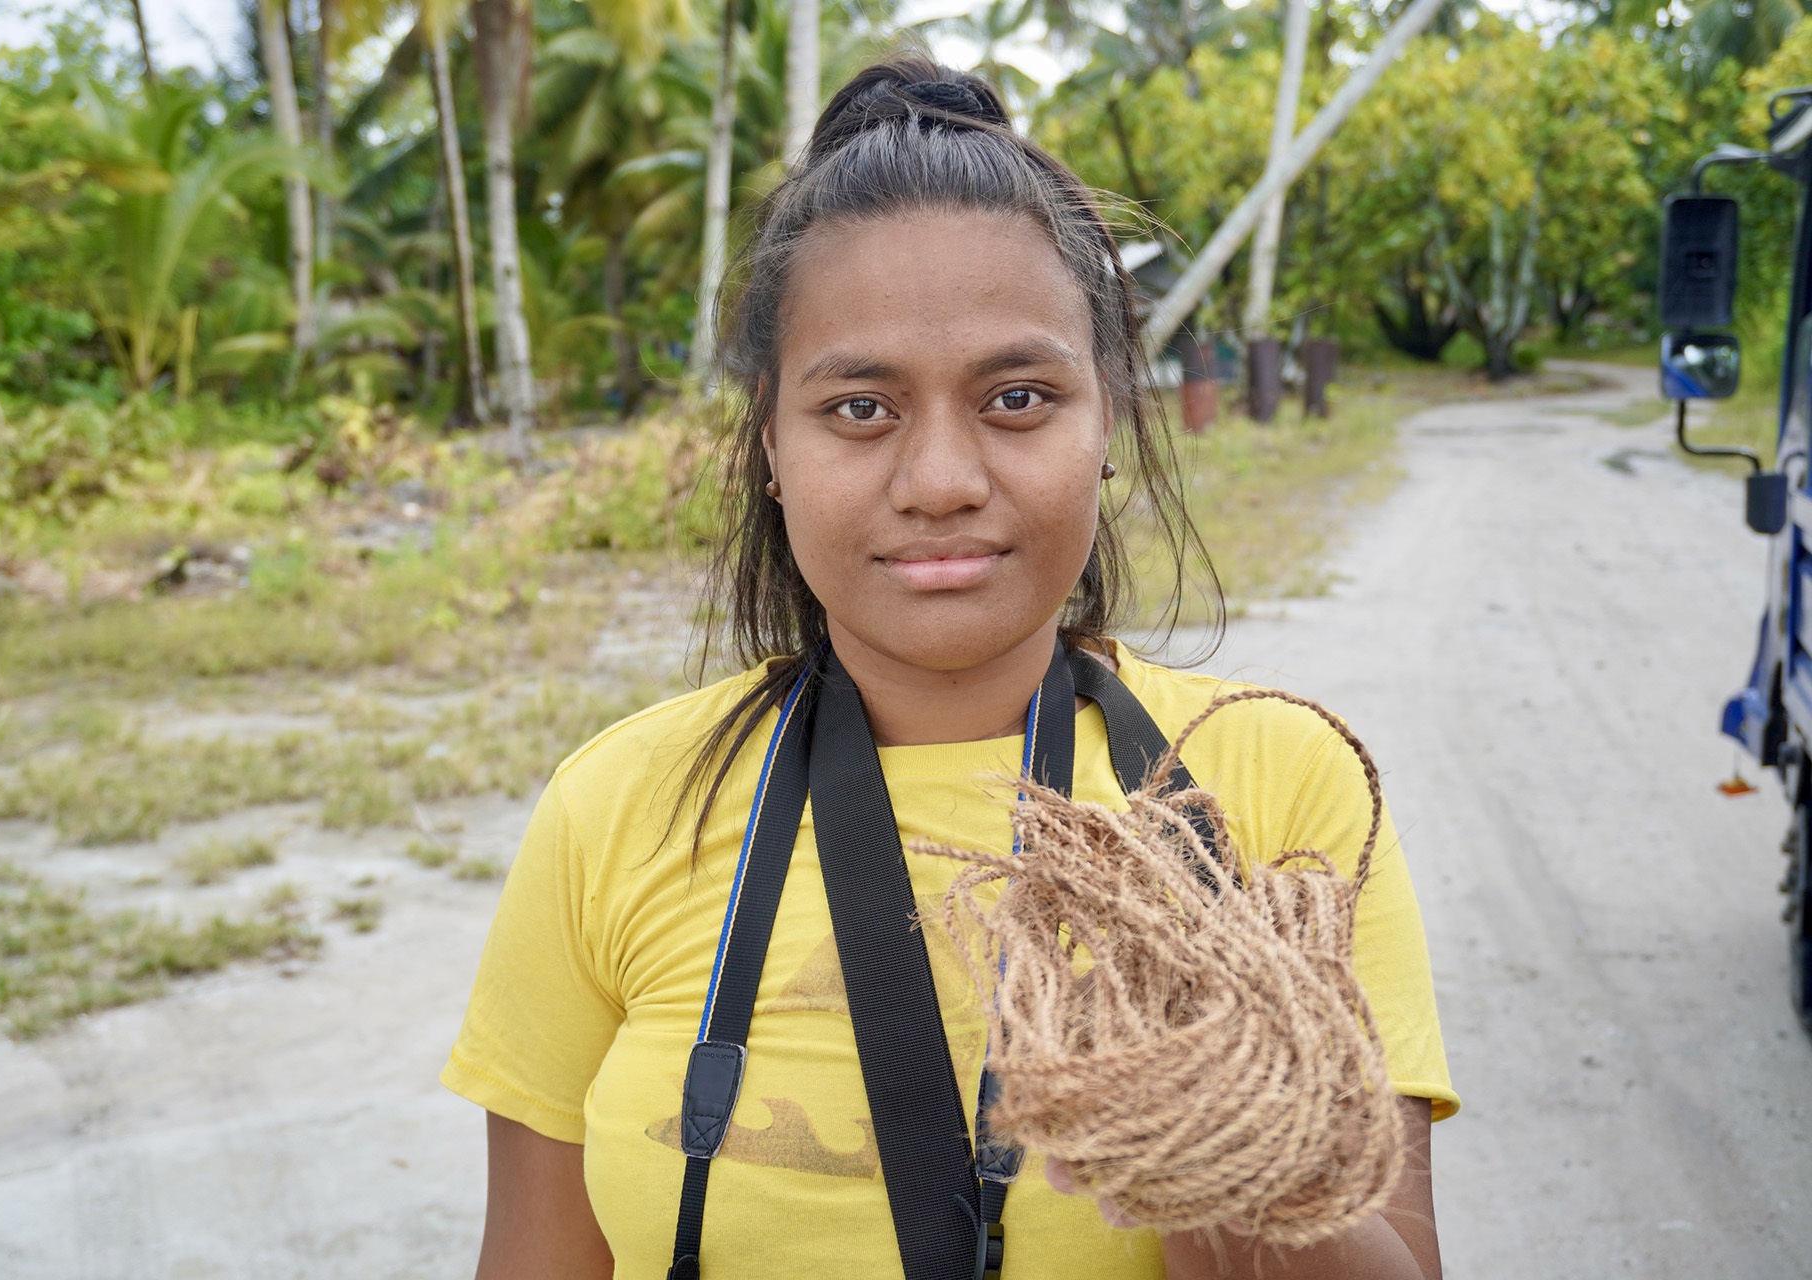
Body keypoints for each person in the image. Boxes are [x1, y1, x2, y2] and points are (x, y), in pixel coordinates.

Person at [443, 52, 1456, 1280]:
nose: (939, 482)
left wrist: (1218, 1136)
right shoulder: (615, 808)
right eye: (860, 409)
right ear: (771, 437)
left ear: (1108, 422)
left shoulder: (1275, 786)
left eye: (1018, 396)